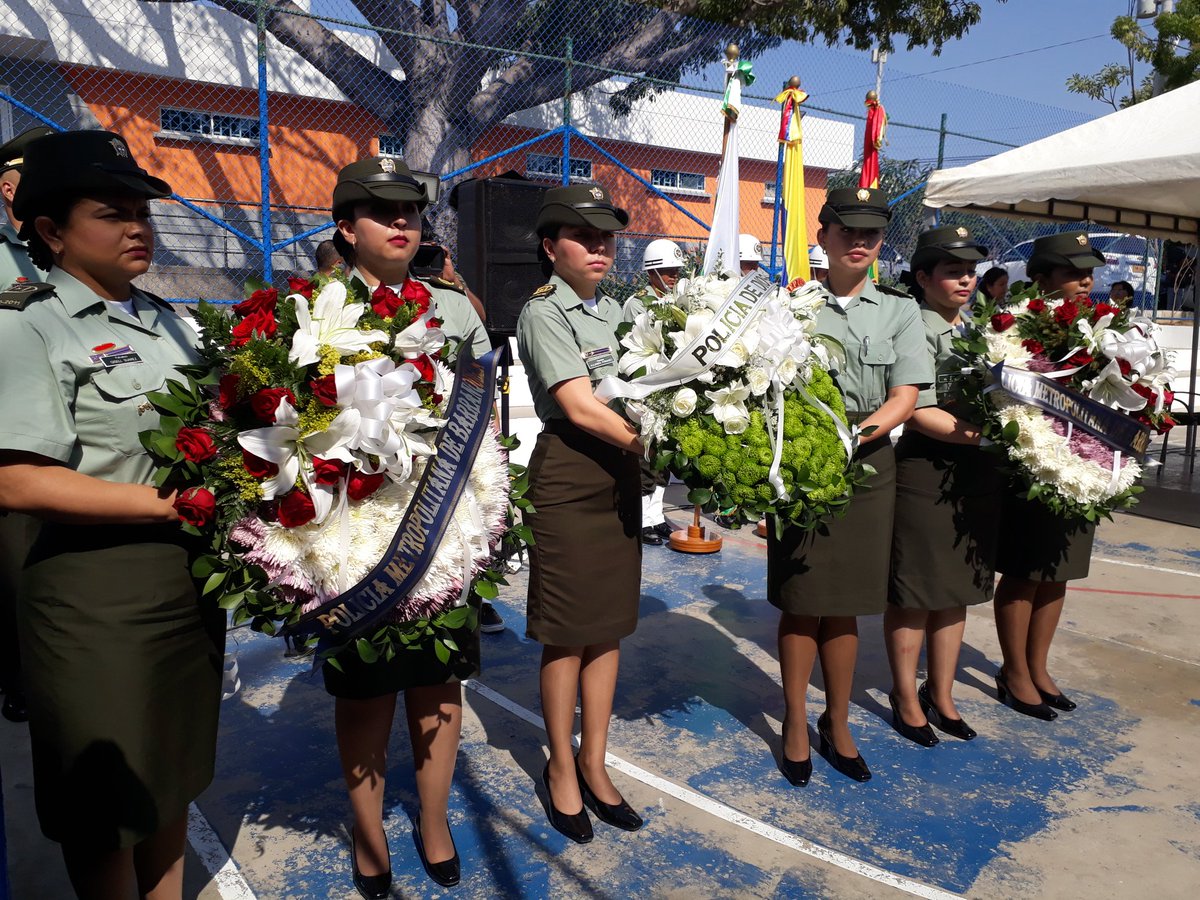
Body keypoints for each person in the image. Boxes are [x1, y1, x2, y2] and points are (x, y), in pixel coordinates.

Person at [0, 130, 225, 899]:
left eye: (143, 212)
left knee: (167, 776)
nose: (138, 227)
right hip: (92, 595)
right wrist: (171, 503)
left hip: (184, 583)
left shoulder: (167, 320)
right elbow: (19, 483)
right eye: (112, 212)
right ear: (51, 231)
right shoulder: (26, 324)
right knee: (104, 807)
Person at [324, 157, 492, 893]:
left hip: (438, 532)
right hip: (351, 538)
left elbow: (486, 420)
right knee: (363, 694)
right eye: (382, 211)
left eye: (411, 213)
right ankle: (368, 837)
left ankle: (432, 820)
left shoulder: (453, 310)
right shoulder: (314, 308)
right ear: (345, 226)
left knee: (437, 685)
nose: (401, 223)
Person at [767, 187, 931, 785]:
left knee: (846, 609)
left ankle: (838, 723)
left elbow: (906, 395)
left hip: (866, 468)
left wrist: (853, 435)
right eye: (847, 231)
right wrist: (810, 445)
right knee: (801, 600)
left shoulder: (899, 310)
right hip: (801, 467)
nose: (859, 242)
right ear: (824, 237)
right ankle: (792, 721)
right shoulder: (789, 308)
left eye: (871, 234)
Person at [516, 183, 645, 843]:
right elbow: (580, 406)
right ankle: (560, 767)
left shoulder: (620, 311)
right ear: (551, 246)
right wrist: (657, 444)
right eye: (584, 237)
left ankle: (595, 762)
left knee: (608, 627)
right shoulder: (544, 313)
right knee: (568, 630)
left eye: (606, 237)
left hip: (619, 475)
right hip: (571, 473)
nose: (599, 247)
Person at [885, 225, 1000, 746]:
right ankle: (905, 696)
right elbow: (919, 410)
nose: (965, 280)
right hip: (927, 469)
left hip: (973, 472)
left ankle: (942, 693)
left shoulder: (982, 328)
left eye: (970, 271)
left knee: (955, 589)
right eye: (952, 271)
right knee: (916, 592)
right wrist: (988, 438)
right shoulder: (913, 326)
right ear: (923, 277)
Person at [992, 231, 1106, 722]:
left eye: (1088, 271)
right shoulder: (1014, 327)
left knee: (1059, 570)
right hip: (1033, 463)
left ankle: (1038, 668)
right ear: (1041, 278)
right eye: (1072, 271)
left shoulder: (1103, 327)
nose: (1085, 279)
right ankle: (1014, 670)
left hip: (1085, 463)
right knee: (1025, 570)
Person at [0, 126, 54, 724]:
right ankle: (19, 676)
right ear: (10, 190)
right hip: (16, 432)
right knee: (17, 564)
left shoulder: (73, 252)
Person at [623, 238, 684, 545]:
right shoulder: (637, 303)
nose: (674, 276)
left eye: (676, 270)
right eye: (668, 271)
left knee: (665, 459)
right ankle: (644, 518)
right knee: (647, 458)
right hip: (647, 392)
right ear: (652, 272)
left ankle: (657, 515)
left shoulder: (679, 301)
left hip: (671, 390)